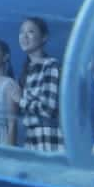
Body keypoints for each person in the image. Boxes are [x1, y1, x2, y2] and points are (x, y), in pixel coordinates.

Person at [16, 17, 63, 152]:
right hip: (32, 141)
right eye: (21, 32)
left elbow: (47, 109)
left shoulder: (51, 65)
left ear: (44, 37)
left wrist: (20, 100)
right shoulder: (28, 69)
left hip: (49, 141)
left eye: (30, 32)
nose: (24, 36)